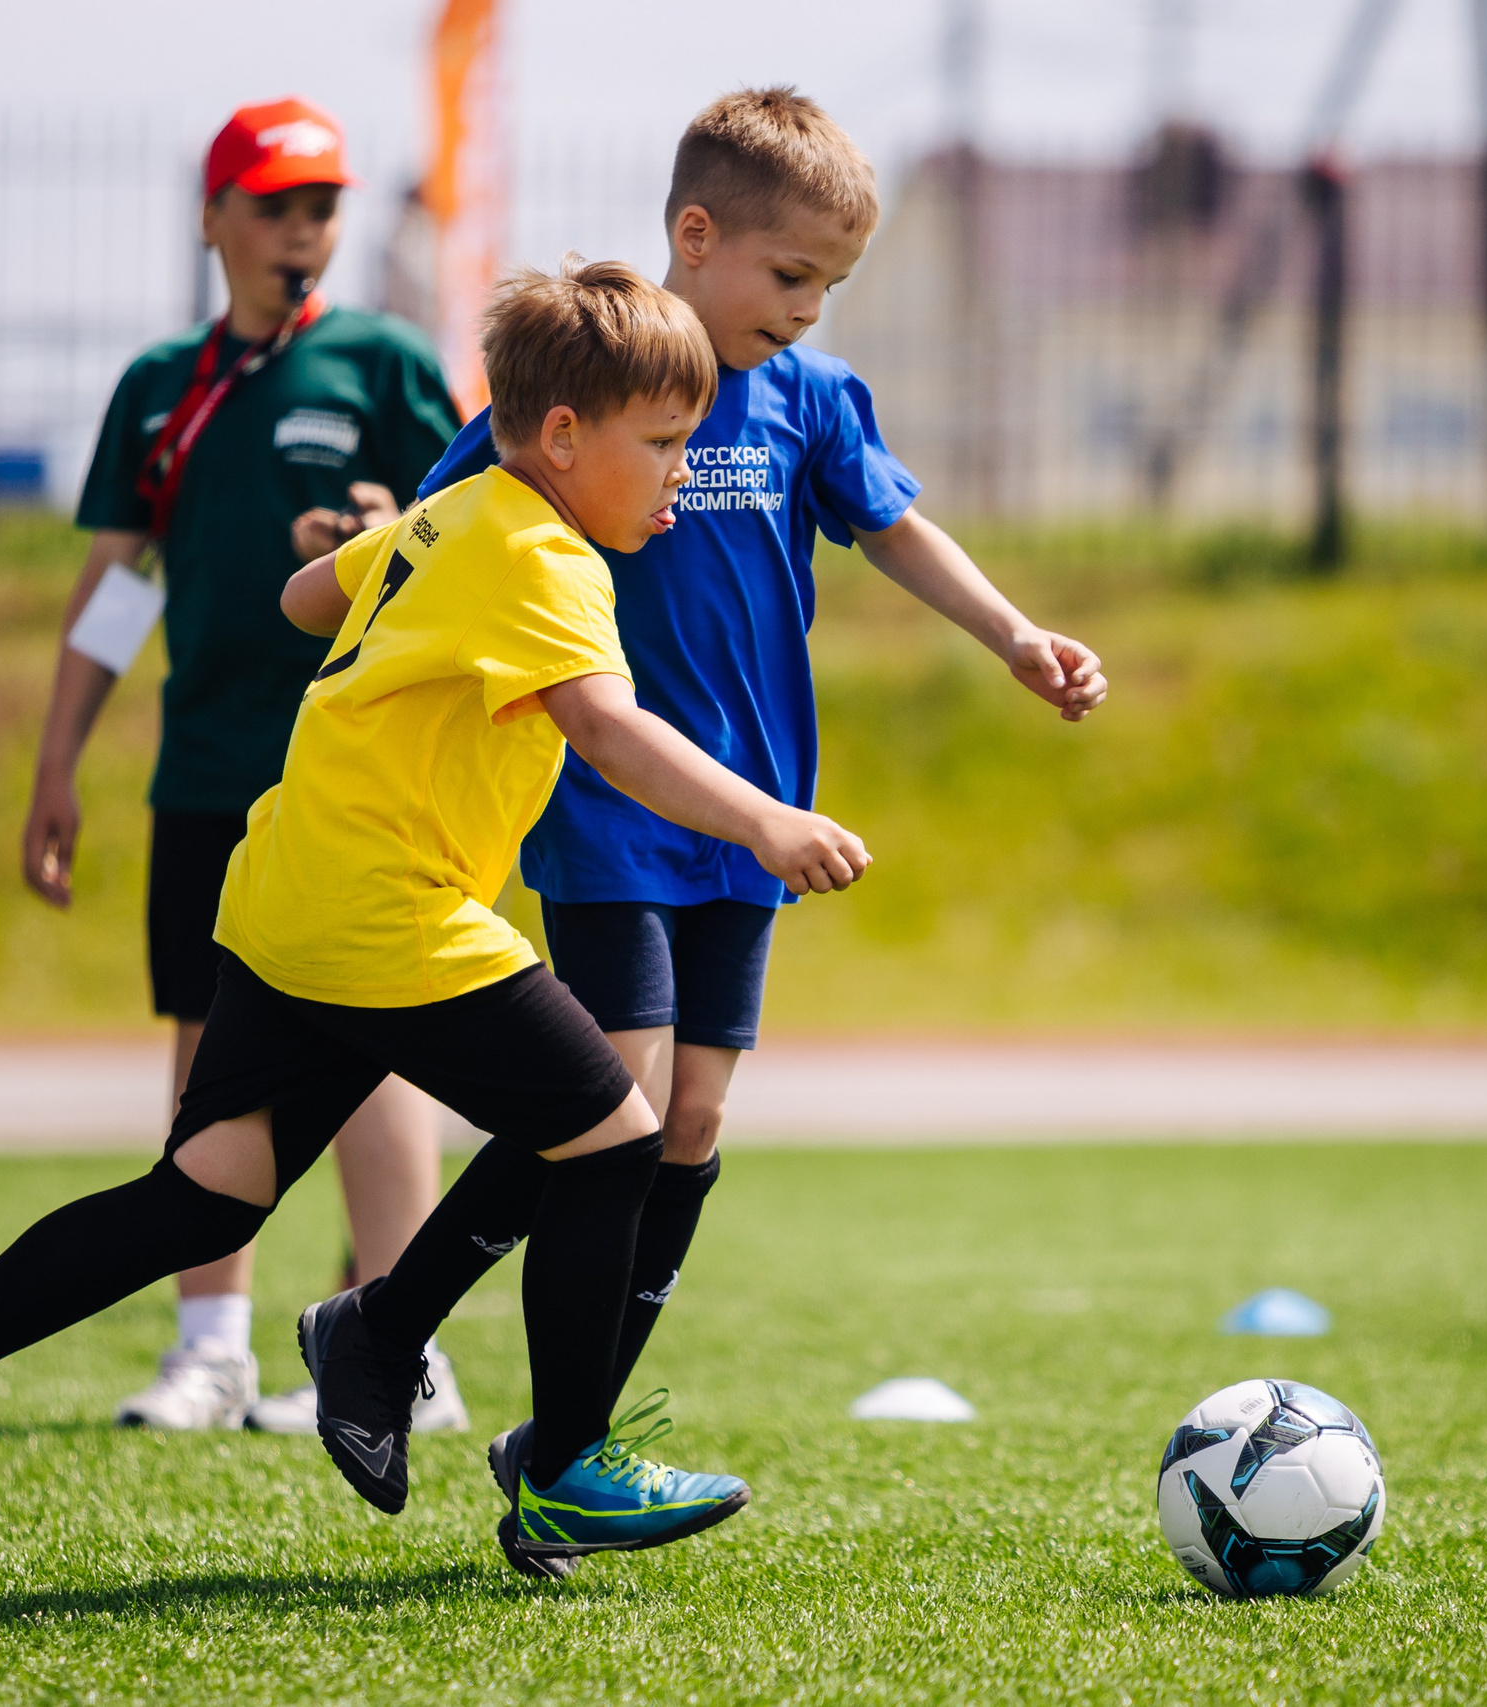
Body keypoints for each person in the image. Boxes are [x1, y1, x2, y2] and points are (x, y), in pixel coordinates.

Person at [0, 258, 870, 1575]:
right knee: (612, 1137)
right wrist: (765, 821)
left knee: (205, 1197)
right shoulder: (545, 555)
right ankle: (560, 1459)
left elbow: (309, 603)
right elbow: (608, 728)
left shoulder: (455, 512)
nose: (678, 473)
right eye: (661, 444)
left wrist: (364, 552)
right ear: (563, 436)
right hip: (386, 912)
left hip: (286, 896)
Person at [386, 87, 1109, 1576]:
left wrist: (1014, 633)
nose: (807, 310)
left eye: (830, 287)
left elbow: (893, 522)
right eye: (791, 278)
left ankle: (540, 1435)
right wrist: (358, 564)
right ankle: (468, 1377)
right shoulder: (601, 374)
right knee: (618, 1104)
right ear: (695, 238)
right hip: (608, 803)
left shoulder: (813, 399)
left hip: (752, 818)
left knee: (691, 1125)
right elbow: (443, 520)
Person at [22, 97, 467, 1434]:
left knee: (381, 1043)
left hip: (354, 779)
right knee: (210, 1056)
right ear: (214, 216)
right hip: (205, 773)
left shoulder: (385, 364)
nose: (303, 231)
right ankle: (210, 1346)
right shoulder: (162, 389)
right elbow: (117, 588)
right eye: (274, 205)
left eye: (323, 206)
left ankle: (407, 1349)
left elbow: (471, 525)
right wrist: (58, 765)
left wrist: (388, 523)